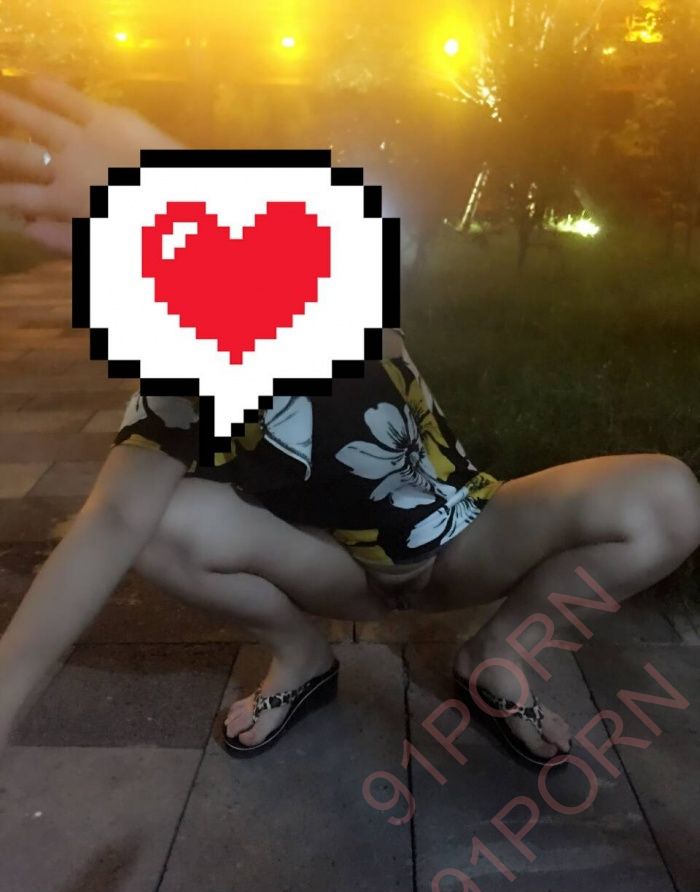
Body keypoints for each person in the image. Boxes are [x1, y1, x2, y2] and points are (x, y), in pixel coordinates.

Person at [0, 75, 698, 767]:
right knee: (152, 523)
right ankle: (301, 656)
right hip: (334, 571)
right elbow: (110, 522)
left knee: (667, 499)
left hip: (465, 536)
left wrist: (169, 187)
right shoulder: (175, 379)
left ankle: (500, 656)